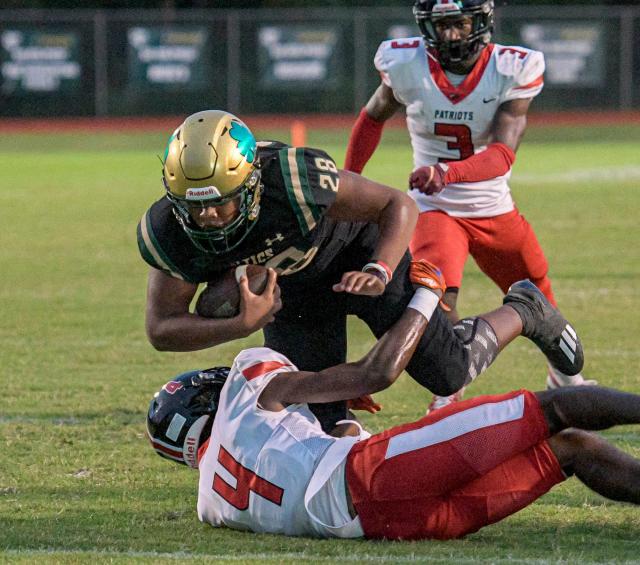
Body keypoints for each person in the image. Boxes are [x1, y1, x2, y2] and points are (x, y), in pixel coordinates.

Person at [137, 109, 582, 432]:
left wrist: (381, 267)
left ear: (251, 182)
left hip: (357, 256)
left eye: (221, 201)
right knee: (315, 414)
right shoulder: (168, 229)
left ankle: (525, 308)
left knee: (449, 371)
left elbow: (397, 204)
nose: (209, 216)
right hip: (293, 297)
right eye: (194, 206)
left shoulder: (294, 179)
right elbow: (161, 328)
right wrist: (240, 324)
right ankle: (352, 473)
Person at [147, 265, 639, 541]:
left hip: (384, 523)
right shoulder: (243, 385)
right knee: (554, 411)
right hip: (371, 475)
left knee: (568, 449)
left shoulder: (210, 502)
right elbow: (377, 373)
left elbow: (304, 459)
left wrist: (331, 411)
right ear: (203, 398)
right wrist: (424, 298)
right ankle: (526, 312)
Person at [343, 0, 594, 410]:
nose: (452, 35)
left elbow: (502, 154)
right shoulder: (406, 64)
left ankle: (566, 376)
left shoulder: (511, 68)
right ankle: (447, 394)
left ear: (480, 22)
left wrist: (447, 173)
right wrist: (348, 181)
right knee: (439, 301)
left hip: (492, 204)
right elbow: (371, 118)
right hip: (435, 208)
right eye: (442, 25)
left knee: (538, 291)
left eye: (459, 24)